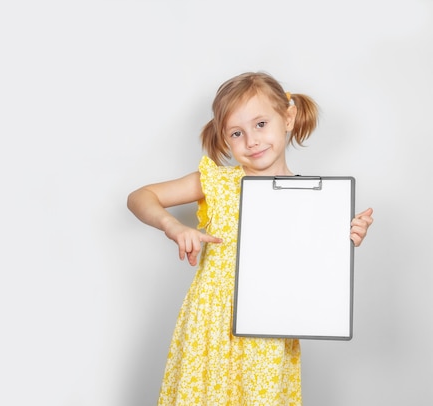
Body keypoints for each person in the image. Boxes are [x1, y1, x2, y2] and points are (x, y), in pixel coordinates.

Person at [126, 71, 374, 405]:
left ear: (288, 117)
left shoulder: (312, 198)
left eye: (260, 124)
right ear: (224, 139)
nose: (252, 141)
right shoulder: (218, 183)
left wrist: (344, 239)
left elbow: (313, 269)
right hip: (212, 327)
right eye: (237, 133)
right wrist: (174, 227)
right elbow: (140, 197)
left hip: (268, 331)